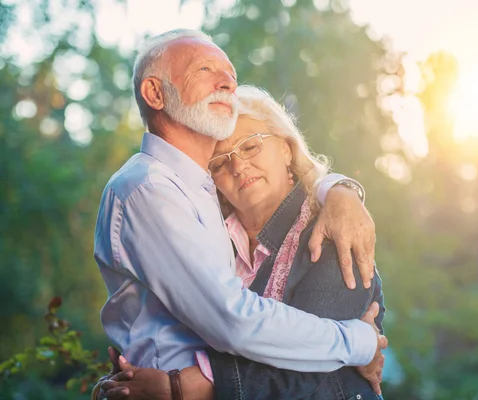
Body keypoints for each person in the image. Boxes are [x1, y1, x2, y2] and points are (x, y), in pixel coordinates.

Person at [93, 29, 386, 398]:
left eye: (230, 77)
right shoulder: (151, 189)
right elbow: (231, 319)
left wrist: (340, 189)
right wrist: (361, 341)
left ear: (285, 148)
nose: (227, 84)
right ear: (155, 93)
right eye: (205, 69)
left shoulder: (324, 229)